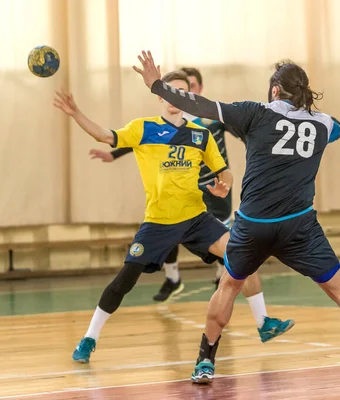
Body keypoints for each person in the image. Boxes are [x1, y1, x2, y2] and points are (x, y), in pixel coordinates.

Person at [134, 51, 340, 386]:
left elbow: (203, 106)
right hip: (300, 226)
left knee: (228, 286)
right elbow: (338, 128)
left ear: (273, 91)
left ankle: (205, 363)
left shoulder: (255, 114)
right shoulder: (324, 124)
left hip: (254, 227)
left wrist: (157, 86)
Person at [54, 70, 294, 363]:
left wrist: (225, 185)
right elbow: (105, 136)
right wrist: (77, 112)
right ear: (159, 95)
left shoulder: (200, 134)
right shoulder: (143, 128)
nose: (174, 97)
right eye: (170, 91)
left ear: (186, 97)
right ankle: (90, 337)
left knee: (243, 254)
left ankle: (264, 323)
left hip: (196, 218)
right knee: (124, 281)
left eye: (181, 91)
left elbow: (225, 171)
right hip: (158, 222)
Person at [89, 67, 239, 302]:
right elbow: (142, 139)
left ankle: (223, 276)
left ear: (197, 91)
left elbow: (240, 132)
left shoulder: (210, 121)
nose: (178, 95)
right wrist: (114, 154)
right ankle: (173, 278)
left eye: (188, 88)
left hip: (214, 190)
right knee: (170, 226)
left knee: (223, 244)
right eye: (172, 90)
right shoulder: (167, 120)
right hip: (184, 191)